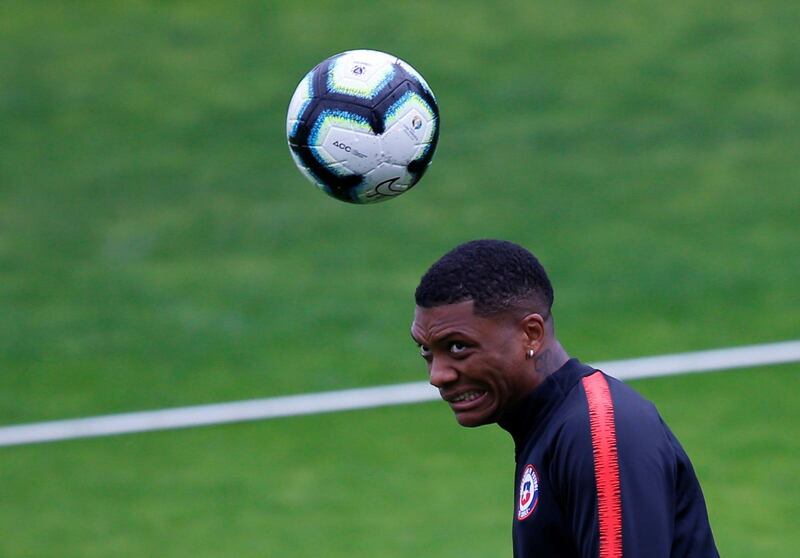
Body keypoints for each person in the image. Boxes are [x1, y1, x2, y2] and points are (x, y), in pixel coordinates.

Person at [411, 239, 719, 558]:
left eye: (458, 347)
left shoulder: (598, 433)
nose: (438, 375)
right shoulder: (552, 428)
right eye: (426, 350)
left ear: (531, 333)